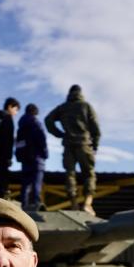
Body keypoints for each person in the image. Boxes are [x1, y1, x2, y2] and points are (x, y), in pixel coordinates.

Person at [45, 84, 101, 215]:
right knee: (89, 174)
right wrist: (95, 144)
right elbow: (95, 127)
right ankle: (87, 203)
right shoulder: (86, 106)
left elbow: (48, 120)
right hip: (84, 143)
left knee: (70, 174)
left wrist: (60, 134)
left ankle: (74, 203)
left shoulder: (63, 107)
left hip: (69, 144)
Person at [15, 102, 48, 210]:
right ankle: (35, 204)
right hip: (37, 158)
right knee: (36, 182)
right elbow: (42, 139)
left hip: (25, 160)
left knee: (25, 184)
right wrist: (45, 153)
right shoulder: (36, 123)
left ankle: (24, 205)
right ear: (35, 112)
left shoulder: (21, 127)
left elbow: (18, 144)